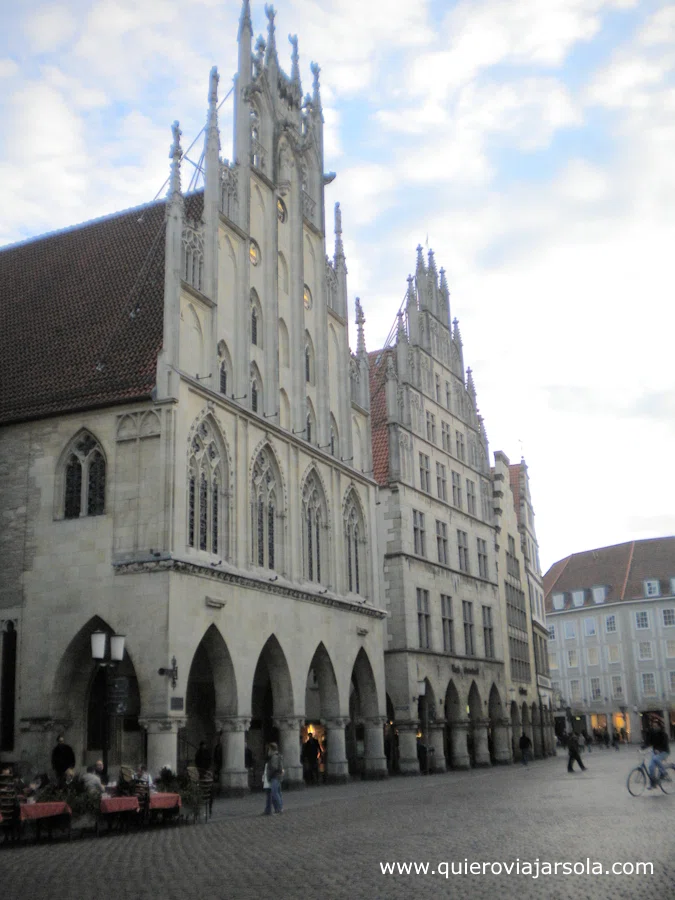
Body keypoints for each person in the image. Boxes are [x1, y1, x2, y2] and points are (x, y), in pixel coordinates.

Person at [643, 721, 669, 788]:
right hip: (655, 752)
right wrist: (643, 747)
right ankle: (653, 783)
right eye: (653, 726)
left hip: (664, 752)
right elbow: (649, 742)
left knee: (655, 758)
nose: (654, 727)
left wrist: (659, 750)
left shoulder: (663, 734)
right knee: (651, 767)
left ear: (659, 726)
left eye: (656, 726)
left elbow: (665, 744)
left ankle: (664, 772)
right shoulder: (652, 734)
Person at [266, 742, 284, 814]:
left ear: (271, 749)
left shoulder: (274, 757)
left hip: (275, 776)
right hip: (278, 776)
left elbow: (274, 767)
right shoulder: (278, 755)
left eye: (269, 749)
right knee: (278, 793)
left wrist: (269, 775)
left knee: (275, 793)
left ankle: (279, 808)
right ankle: (279, 808)